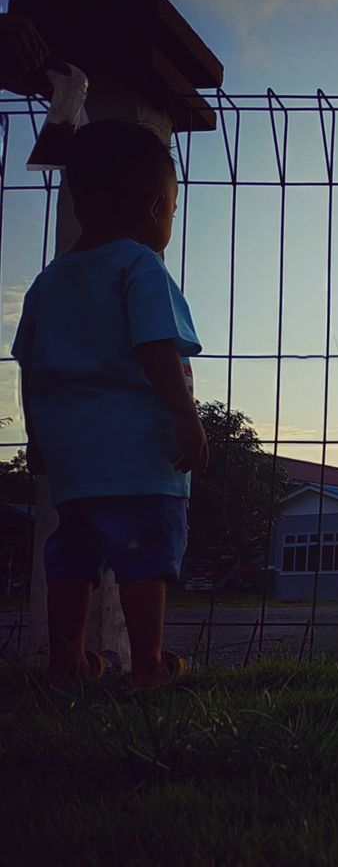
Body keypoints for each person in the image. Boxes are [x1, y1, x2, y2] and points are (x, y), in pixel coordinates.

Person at [12, 120, 208, 689]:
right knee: (144, 556)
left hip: (75, 463)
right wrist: (184, 413)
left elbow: (32, 367)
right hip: (139, 457)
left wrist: (37, 437)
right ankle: (148, 662)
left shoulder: (47, 284)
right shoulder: (140, 266)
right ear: (155, 208)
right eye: (173, 207)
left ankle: (66, 658)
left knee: (73, 558)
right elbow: (153, 344)